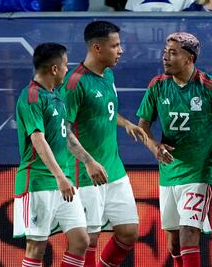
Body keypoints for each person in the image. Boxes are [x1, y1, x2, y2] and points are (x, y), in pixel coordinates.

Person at [136, 32, 212, 267]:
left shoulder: (211, 89)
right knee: (173, 244)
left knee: (188, 236)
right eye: (165, 52)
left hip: (198, 173)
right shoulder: (158, 85)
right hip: (168, 173)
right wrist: (154, 146)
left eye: (173, 53)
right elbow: (142, 126)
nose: (165, 57)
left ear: (189, 58)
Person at [62, 21, 149, 267]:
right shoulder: (74, 83)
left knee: (129, 232)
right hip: (85, 173)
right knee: (88, 239)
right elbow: (62, 131)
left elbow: (105, 112)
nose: (120, 50)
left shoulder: (108, 74)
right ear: (97, 48)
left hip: (114, 169)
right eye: (116, 45)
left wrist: (126, 124)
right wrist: (89, 162)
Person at [13, 43, 89, 267]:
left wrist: (89, 161)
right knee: (36, 247)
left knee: (80, 241)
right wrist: (59, 177)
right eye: (65, 65)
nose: (68, 69)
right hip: (37, 182)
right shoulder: (31, 96)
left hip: (63, 182)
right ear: (54, 69)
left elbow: (67, 137)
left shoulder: (56, 95)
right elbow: (38, 139)